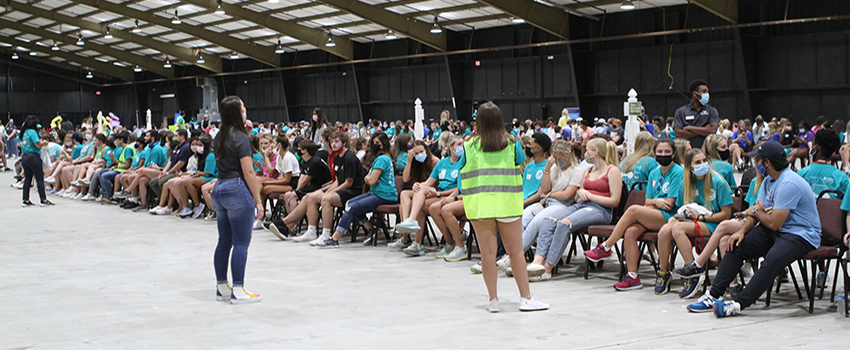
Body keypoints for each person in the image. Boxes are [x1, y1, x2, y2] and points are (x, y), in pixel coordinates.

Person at [686, 141, 820, 317]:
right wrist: (741, 231)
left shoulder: (790, 183)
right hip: (777, 229)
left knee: (772, 260)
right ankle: (713, 295)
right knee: (735, 245)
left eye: (758, 160)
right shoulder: (768, 181)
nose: (755, 163)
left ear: (768, 163)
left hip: (800, 234)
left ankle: (739, 304)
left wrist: (756, 211)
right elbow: (757, 211)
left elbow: (773, 222)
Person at [459, 102, 548, 312]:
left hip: (480, 206)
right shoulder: (511, 142)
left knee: (487, 255)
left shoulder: (468, 145)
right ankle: (526, 298)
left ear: (477, 121)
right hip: (508, 204)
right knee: (516, 252)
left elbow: (462, 167)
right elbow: (520, 161)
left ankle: (493, 301)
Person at [584, 138, 682, 291]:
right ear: (655, 153)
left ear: (674, 153)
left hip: (671, 217)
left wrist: (654, 202)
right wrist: (656, 202)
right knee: (630, 232)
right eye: (660, 152)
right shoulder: (655, 173)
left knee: (633, 210)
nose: (663, 154)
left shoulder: (678, 172)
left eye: (667, 152)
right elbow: (648, 200)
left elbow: (669, 203)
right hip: (653, 213)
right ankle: (633, 277)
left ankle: (606, 246)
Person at [526, 138, 623, 281]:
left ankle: (547, 269)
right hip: (581, 205)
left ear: (595, 152)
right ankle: (537, 262)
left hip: (600, 209)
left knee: (565, 223)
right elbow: (579, 193)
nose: (585, 152)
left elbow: (614, 201)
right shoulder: (588, 170)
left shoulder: (612, 170)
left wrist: (590, 195)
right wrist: (581, 194)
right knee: (548, 221)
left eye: (588, 149)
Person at [656, 148, 733, 299]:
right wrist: (679, 215)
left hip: (713, 223)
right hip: (691, 221)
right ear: (690, 167)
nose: (703, 164)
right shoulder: (685, 183)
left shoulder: (717, 181)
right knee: (665, 230)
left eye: (704, 161)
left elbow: (726, 214)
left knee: (677, 228)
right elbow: (681, 206)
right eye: (698, 162)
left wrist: (701, 218)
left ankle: (693, 271)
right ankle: (663, 272)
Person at [212, 95, 264, 304]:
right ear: (237, 112)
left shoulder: (219, 137)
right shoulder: (240, 138)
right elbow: (248, 172)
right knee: (241, 242)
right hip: (237, 188)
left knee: (224, 241)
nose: (245, 109)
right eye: (243, 107)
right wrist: (258, 201)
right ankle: (239, 289)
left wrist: (246, 133)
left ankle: (222, 285)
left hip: (220, 188)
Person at [316, 133, 397, 248]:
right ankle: (371, 229)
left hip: (384, 196)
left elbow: (371, 180)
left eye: (377, 143)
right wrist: (370, 178)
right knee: (349, 203)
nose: (374, 145)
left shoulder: (382, 159)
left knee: (352, 207)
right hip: (376, 193)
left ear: (383, 145)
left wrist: (370, 178)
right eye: (373, 143)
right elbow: (368, 178)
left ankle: (334, 239)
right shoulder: (379, 159)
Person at [673, 79, 719, 149]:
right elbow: (678, 134)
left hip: (706, 151)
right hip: (687, 151)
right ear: (695, 93)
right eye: (704, 91)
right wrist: (705, 129)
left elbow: (713, 130)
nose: (707, 94)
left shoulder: (712, 111)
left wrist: (690, 128)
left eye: (707, 92)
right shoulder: (681, 111)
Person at [19, 115, 53, 207]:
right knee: (39, 178)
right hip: (33, 157)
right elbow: (37, 144)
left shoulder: (24, 132)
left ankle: (25, 199)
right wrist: (44, 143)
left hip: (25, 157)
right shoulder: (32, 132)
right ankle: (43, 199)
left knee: (27, 178)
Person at [522, 133, 552, 207]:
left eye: (529, 144)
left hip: (532, 206)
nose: (527, 147)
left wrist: (522, 204)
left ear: (538, 149)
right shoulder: (528, 167)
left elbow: (539, 194)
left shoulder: (548, 167)